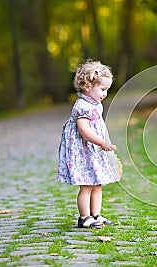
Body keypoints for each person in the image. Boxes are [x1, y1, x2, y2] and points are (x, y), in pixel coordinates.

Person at [57, 59, 121, 229]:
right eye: (102, 89)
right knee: (86, 185)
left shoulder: (96, 104)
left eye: (107, 90)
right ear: (87, 86)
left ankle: (96, 214)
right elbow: (84, 130)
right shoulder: (82, 106)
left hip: (94, 150)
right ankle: (84, 217)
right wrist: (102, 142)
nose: (105, 94)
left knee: (97, 183)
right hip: (84, 151)